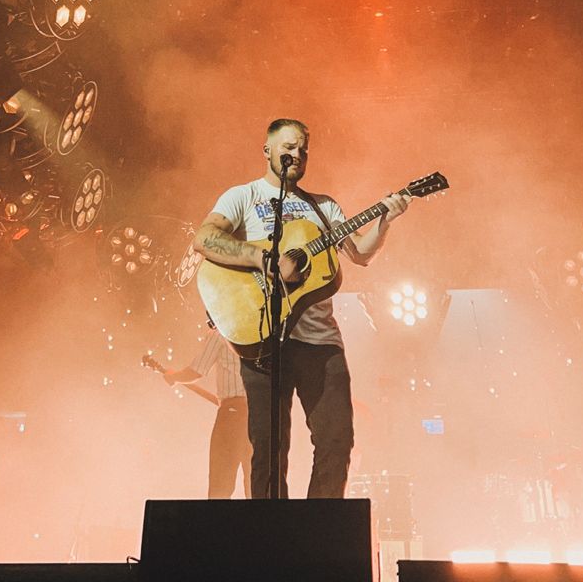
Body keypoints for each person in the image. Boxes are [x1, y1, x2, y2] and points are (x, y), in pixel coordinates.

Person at [193, 118, 411, 499]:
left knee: (337, 440)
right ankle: (269, 540)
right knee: (268, 449)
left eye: (303, 150)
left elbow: (359, 254)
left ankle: (317, 532)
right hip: (263, 339)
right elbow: (205, 238)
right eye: (289, 147)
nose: (297, 155)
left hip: (320, 342)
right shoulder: (242, 197)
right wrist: (262, 257)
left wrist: (385, 221)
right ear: (267, 150)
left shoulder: (323, 207)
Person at [163, 330, 251, 498]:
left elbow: (196, 371)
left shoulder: (220, 334)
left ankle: (217, 523)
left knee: (221, 481)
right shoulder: (259, 330)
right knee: (257, 482)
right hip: (259, 414)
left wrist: (174, 377)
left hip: (232, 415)